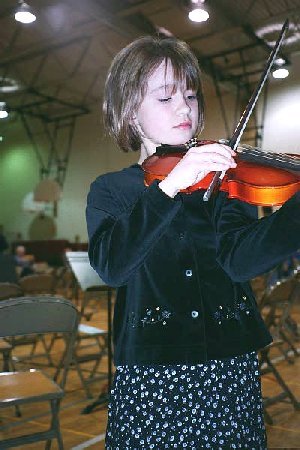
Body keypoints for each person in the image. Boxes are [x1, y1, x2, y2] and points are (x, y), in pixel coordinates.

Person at [86, 36, 300, 449]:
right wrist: (170, 188)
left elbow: (239, 260)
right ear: (130, 111)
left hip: (228, 367)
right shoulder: (111, 191)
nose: (185, 107)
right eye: (166, 98)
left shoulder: (225, 181)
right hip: (154, 376)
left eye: (189, 94)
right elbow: (112, 266)